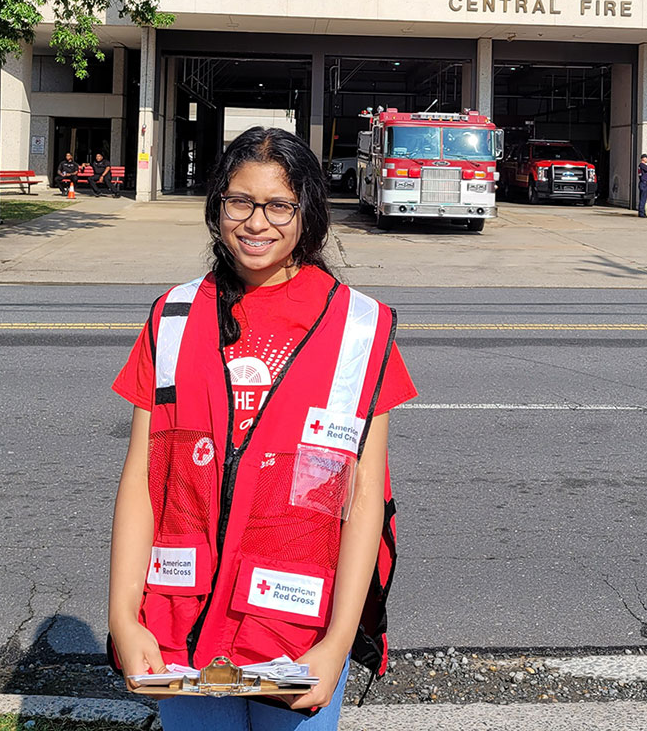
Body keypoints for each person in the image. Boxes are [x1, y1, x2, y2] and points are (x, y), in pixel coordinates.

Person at [108, 127, 417, 731]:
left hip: (298, 632)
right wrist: (124, 615)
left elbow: (363, 501)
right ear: (217, 205)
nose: (256, 222)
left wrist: (337, 643)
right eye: (239, 201)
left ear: (309, 211)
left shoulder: (361, 327)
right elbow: (142, 482)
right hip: (184, 624)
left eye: (279, 205)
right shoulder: (173, 317)